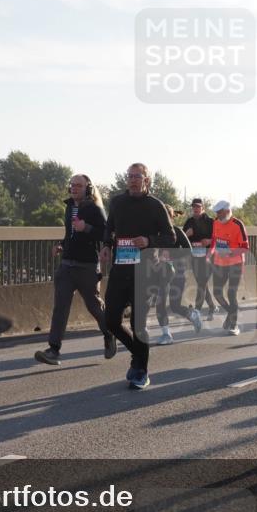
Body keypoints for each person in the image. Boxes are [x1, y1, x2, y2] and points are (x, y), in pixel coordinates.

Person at [100, 163, 175, 389]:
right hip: (121, 267)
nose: (132, 180)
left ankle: (141, 371)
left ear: (146, 180)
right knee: (111, 320)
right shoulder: (117, 202)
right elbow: (109, 227)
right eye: (130, 176)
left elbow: (170, 237)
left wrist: (149, 241)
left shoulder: (155, 205)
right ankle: (138, 354)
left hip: (145, 271)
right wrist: (105, 245)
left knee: (138, 324)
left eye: (137, 176)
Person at [34, 174, 116, 365]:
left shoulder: (95, 209)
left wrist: (86, 227)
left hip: (86, 266)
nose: (74, 188)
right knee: (60, 307)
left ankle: (109, 333)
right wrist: (62, 244)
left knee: (94, 306)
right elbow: (70, 233)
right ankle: (53, 350)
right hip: (67, 265)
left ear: (87, 188)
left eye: (78, 185)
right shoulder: (69, 206)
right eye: (72, 185)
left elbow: (105, 234)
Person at [147, 204, 201, 345]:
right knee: (160, 303)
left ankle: (192, 314)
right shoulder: (155, 234)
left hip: (177, 272)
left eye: (165, 215)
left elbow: (189, 251)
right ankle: (166, 335)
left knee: (175, 306)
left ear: (170, 217)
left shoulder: (177, 231)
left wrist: (171, 255)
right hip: (160, 273)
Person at [209, 200, 250, 335]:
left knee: (231, 294)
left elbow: (245, 248)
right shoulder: (215, 222)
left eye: (220, 213)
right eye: (217, 213)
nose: (218, 215)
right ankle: (231, 313)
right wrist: (209, 254)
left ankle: (234, 325)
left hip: (235, 264)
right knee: (217, 293)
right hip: (219, 263)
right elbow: (214, 239)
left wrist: (230, 252)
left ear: (227, 211)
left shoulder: (238, 225)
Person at [184, 198, 217, 321]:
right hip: (195, 258)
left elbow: (219, 239)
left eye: (198, 207)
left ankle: (197, 311)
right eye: (194, 207)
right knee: (202, 284)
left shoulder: (210, 222)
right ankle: (212, 307)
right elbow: (182, 239)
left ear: (203, 208)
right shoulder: (189, 222)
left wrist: (209, 241)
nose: (196, 209)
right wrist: (187, 235)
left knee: (202, 284)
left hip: (208, 257)